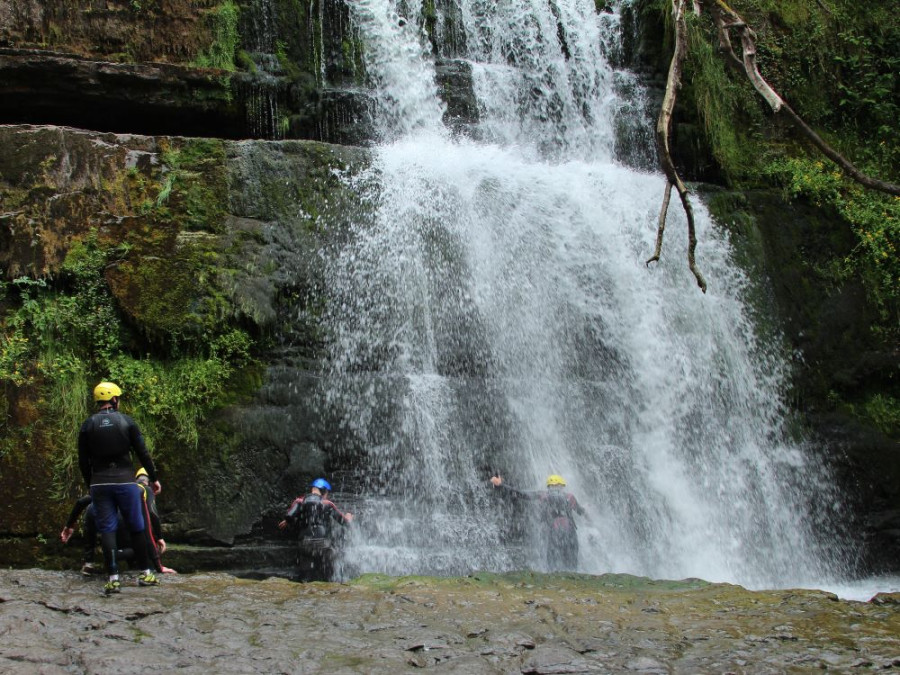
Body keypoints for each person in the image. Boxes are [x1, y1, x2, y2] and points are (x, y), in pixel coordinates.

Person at [77, 381, 162, 594]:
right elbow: (143, 453)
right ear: (115, 399)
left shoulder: (88, 425)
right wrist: (154, 477)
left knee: (107, 529)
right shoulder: (126, 422)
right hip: (125, 481)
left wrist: (91, 483)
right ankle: (146, 573)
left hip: (99, 483)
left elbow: (82, 459)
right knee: (136, 526)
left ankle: (113, 578)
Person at [60, 469, 176, 575]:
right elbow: (152, 515)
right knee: (142, 544)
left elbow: (81, 502)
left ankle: (89, 563)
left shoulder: (115, 487)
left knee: (92, 510)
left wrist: (69, 525)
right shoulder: (144, 490)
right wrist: (159, 539)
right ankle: (125, 560)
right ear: (149, 483)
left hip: (104, 524)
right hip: (123, 527)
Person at [490, 474, 585, 571]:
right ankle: (575, 579)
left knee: (552, 562)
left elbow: (520, 494)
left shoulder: (543, 495)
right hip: (570, 533)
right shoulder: (570, 497)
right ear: (562, 486)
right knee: (572, 561)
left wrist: (501, 485)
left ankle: (552, 577)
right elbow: (581, 511)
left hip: (555, 532)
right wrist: (587, 511)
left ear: (549, 487)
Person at [278, 478, 353, 581]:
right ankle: (330, 585)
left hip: (305, 543)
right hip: (323, 544)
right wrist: (348, 517)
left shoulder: (300, 501)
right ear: (324, 491)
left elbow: (289, 515)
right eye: (327, 493)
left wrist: (287, 521)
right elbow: (344, 522)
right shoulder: (328, 504)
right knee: (328, 570)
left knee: (306, 572)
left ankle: (305, 584)